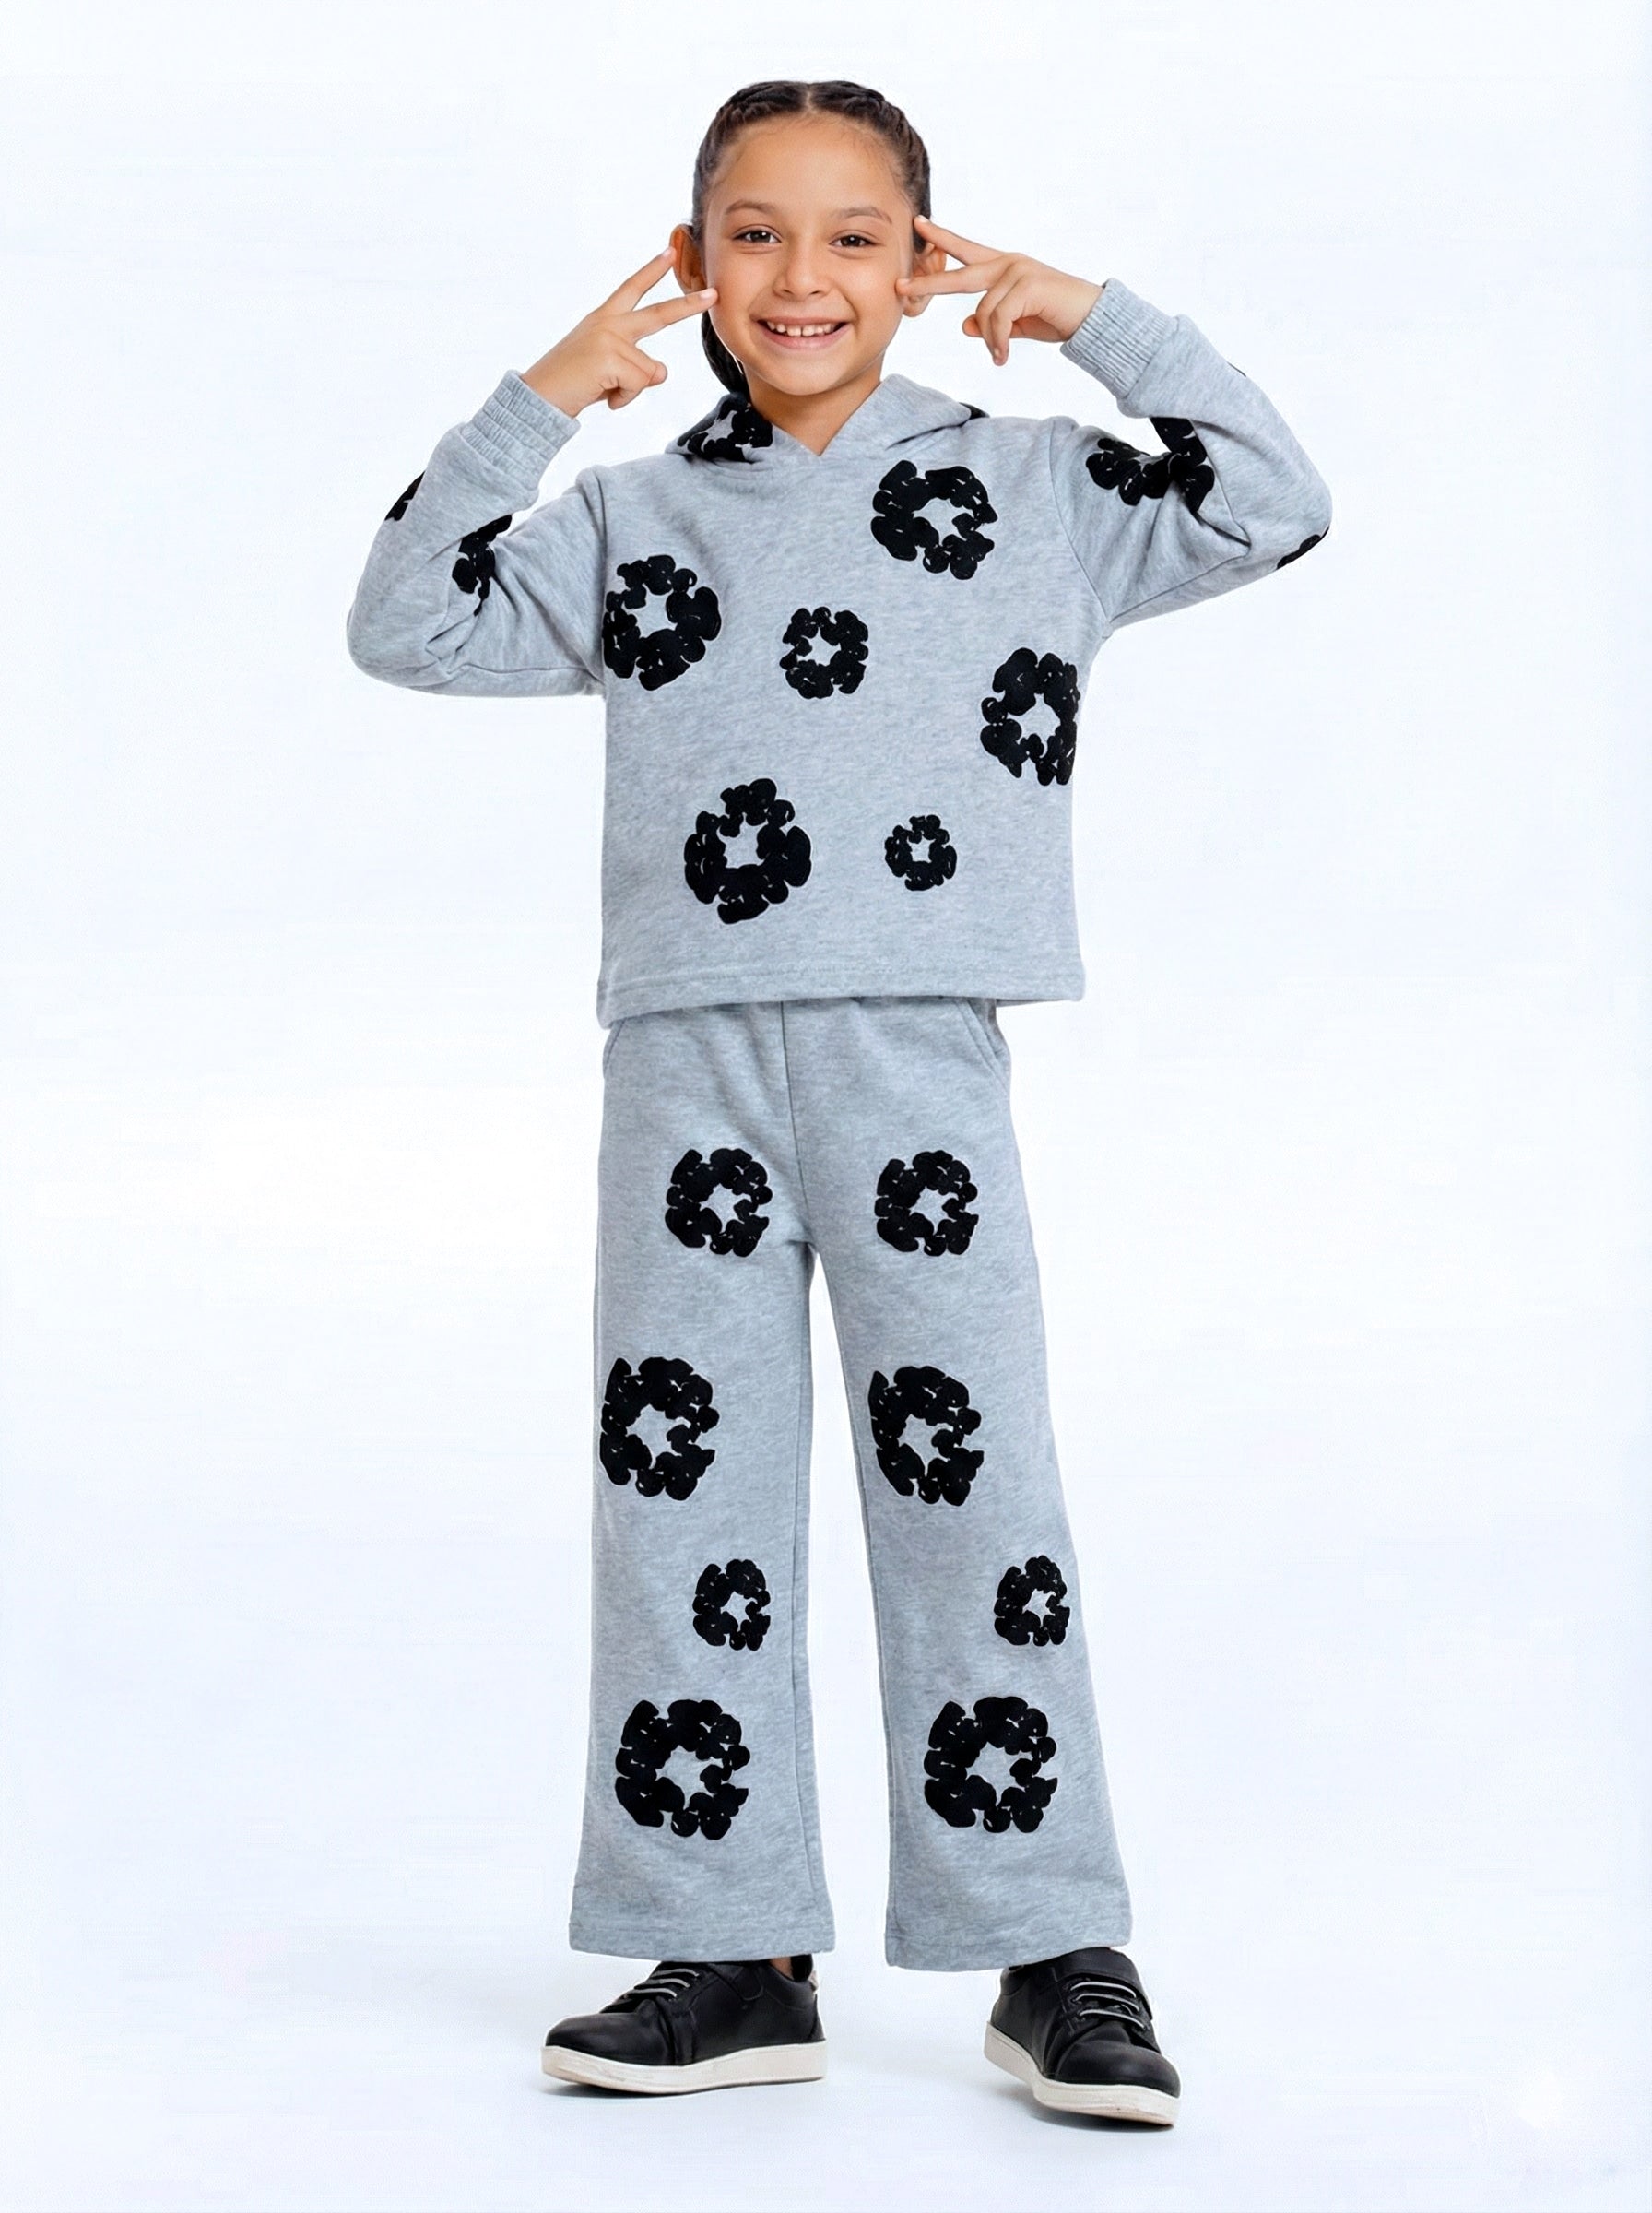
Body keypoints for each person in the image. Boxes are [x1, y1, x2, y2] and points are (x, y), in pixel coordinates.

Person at [345, 77, 1330, 2127]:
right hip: (686, 1054)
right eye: (757, 234)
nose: (803, 275)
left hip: (917, 1050)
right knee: (677, 1504)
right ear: (692, 262)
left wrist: (1094, 315)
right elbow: (404, 621)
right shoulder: (627, 518)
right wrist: (542, 398)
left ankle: (1049, 1940)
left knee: (979, 1497)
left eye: (855, 235)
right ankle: (728, 1950)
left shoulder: (1041, 490)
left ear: (920, 261)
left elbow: (1275, 496)